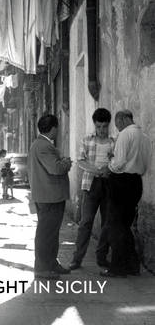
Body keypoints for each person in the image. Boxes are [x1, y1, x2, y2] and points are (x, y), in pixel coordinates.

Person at [100, 110, 151, 277]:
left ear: (122, 119)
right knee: (124, 226)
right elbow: (143, 163)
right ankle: (132, 265)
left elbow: (119, 162)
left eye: (117, 123)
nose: (117, 127)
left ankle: (117, 268)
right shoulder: (144, 136)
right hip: (136, 182)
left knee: (115, 226)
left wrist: (109, 165)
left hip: (121, 183)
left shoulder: (125, 134)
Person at [69, 108, 115, 271]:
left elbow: (118, 162)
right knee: (85, 222)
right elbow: (80, 161)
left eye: (104, 126)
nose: (102, 130)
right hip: (91, 184)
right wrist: (98, 170)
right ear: (94, 126)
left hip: (109, 185)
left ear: (108, 125)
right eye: (99, 127)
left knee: (107, 223)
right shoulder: (87, 140)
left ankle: (101, 257)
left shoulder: (114, 142)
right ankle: (77, 259)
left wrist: (107, 170)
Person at [28, 114, 72, 279]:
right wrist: (66, 163)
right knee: (46, 233)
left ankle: (51, 263)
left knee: (51, 233)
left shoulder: (40, 144)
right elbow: (55, 169)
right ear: (53, 128)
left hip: (48, 196)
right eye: (57, 127)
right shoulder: (44, 146)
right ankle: (42, 267)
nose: (58, 131)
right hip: (50, 196)